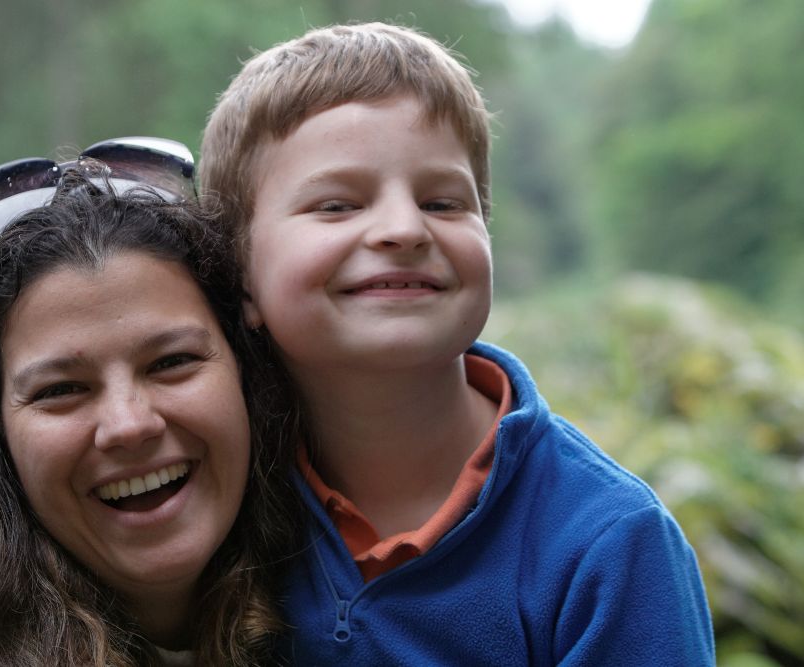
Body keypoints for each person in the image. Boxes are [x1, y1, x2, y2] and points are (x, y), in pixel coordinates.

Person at [199, 22, 716, 665]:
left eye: (443, 203)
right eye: (336, 206)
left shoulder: (609, 544)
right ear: (241, 278)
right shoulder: (214, 503)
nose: (404, 228)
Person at [0, 138, 300, 666]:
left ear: (248, 371)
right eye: (60, 390)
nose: (129, 424)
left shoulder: (340, 594)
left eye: (171, 362)